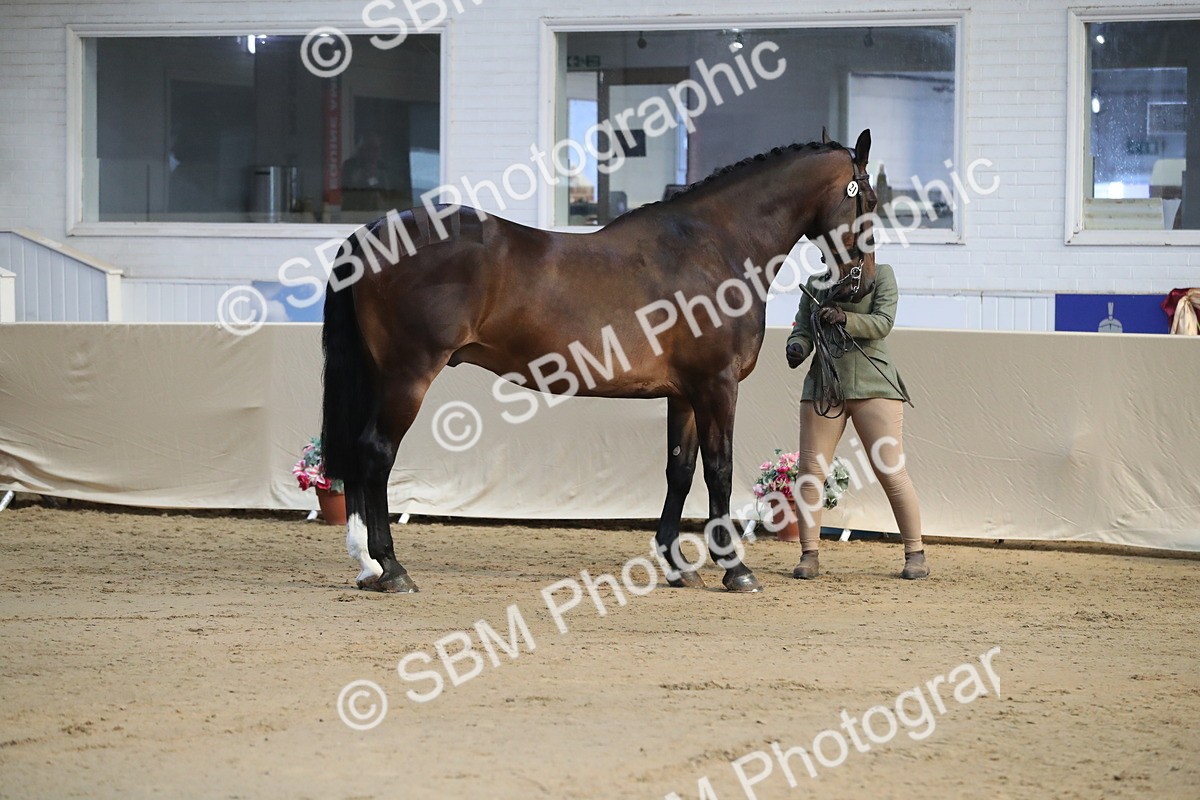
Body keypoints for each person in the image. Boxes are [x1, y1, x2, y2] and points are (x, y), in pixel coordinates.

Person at [784, 261, 929, 580]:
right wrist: (797, 346)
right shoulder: (816, 283)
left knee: (890, 469)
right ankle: (809, 553)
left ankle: (915, 552)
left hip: (871, 381)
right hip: (824, 382)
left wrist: (845, 317)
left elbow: (882, 323)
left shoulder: (882, 275)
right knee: (811, 471)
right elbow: (804, 329)